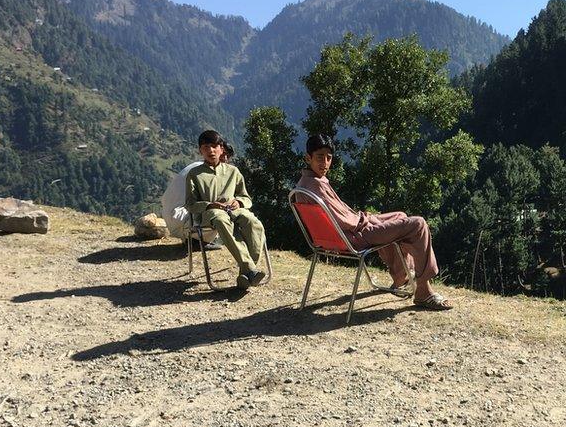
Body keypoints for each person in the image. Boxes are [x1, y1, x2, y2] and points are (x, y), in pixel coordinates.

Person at [295, 134, 452, 310]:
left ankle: (401, 278)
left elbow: (339, 216)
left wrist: (366, 218)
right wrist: (367, 220)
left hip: (341, 235)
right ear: (308, 158)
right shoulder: (315, 185)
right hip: (353, 236)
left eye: (329, 158)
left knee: (400, 216)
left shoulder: (305, 183)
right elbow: (345, 220)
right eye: (319, 157)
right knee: (418, 224)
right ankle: (423, 291)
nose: (325, 163)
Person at [186, 130, 267, 289]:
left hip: (234, 210)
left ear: (221, 149)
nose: (210, 150)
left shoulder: (233, 171)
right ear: (200, 150)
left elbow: (246, 198)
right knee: (221, 218)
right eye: (206, 147)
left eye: (214, 146)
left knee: (254, 223)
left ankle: (246, 273)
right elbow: (190, 204)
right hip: (210, 213)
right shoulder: (194, 174)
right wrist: (210, 205)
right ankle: (250, 269)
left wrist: (239, 202)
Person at [161, 142, 236, 249]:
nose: (225, 160)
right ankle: (197, 240)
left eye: (227, 157)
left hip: (172, 215)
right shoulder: (203, 172)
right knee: (221, 212)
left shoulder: (198, 166)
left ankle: (195, 239)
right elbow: (208, 200)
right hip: (180, 217)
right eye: (223, 155)